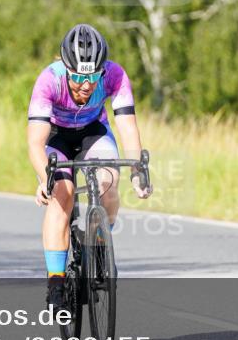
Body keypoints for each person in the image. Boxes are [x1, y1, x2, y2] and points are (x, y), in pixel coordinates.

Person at [27, 24, 152, 311]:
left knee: (109, 183)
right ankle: (56, 282)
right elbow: (35, 143)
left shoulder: (115, 75)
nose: (86, 85)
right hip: (56, 136)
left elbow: (127, 127)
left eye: (93, 76)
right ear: (66, 68)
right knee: (63, 193)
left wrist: (137, 172)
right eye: (79, 77)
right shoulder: (49, 80)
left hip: (93, 132)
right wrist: (45, 178)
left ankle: (98, 248)